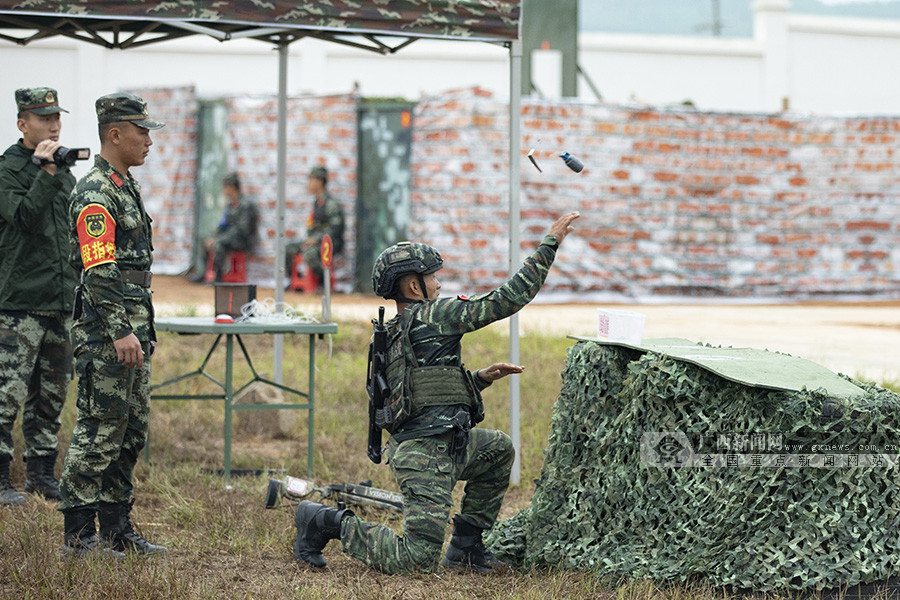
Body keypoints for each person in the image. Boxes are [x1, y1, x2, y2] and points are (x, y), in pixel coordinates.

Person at [293, 211, 580, 574]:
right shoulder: (433, 314)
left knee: (498, 450)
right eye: (433, 277)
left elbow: (418, 392)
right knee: (416, 560)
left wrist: (478, 378)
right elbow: (506, 300)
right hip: (425, 456)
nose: (439, 284)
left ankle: (465, 548)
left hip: (442, 446)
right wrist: (549, 243)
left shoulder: (397, 332)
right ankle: (324, 521)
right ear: (414, 286)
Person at [58, 92, 166, 558]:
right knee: (99, 430)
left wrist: (137, 330)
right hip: (108, 333)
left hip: (133, 328)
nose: (149, 140)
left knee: (130, 430)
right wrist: (121, 331)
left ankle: (117, 530)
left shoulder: (125, 185)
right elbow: (99, 270)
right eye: (142, 131)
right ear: (115, 134)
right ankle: (79, 539)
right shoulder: (95, 191)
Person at [0, 87, 78, 506]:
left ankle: (41, 474)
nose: (53, 125)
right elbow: (25, 218)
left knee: (51, 396)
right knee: (5, 394)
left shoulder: (64, 171)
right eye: (44, 118)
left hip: (60, 301)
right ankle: (0, 479)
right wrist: (45, 173)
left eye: (56, 118)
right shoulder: (8, 170)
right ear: (22, 124)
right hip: (19, 304)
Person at [191, 172, 257, 283]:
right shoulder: (231, 205)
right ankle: (204, 273)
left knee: (218, 244)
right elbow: (222, 225)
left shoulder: (245, 205)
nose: (224, 190)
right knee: (205, 240)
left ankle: (218, 277)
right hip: (230, 238)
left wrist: (219, 239)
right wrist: (213, 236)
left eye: (225, 187)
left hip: (242, 241)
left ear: (232, 187)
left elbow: (242, 230)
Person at [285, 166, 345, 286]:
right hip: (316, 241)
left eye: (311, 180)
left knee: (310, 254)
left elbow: (335, 230)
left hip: (331, 242)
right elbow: (312, 226)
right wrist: (309, 239)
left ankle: (322, 282)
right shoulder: (317, 203)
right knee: (289, 249)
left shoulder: (331, 204)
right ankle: (296, 282)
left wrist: (316, 239)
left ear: (319, 181)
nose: (309, 184)